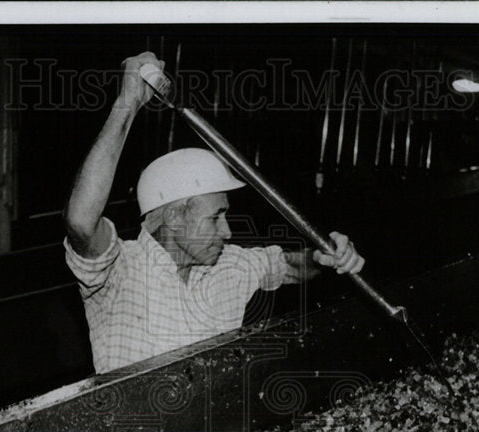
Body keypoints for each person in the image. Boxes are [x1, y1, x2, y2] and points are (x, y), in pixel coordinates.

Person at [65, 52, 365, 375]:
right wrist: (127, 104)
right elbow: (81, 223)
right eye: (215, 216)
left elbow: (286, 266)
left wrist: (322, 258)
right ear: (175, 217)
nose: (227, 232)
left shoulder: (227, 264)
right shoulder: (120, 272)